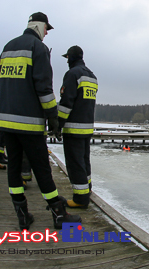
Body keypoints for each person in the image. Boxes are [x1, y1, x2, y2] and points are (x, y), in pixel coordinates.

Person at [0, 12, 80, 230]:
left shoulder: (7, 47)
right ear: (40, 26)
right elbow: (43, 88)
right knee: (42, 169)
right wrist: (52, 116)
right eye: (46, 29)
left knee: (13, 168)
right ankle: (58, 213)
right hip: (29, 123)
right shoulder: (38, 48)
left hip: (6, 122)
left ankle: (22, 214)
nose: (46, 34)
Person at [57, 45, 98, 209]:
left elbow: (66, 103)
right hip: (87, 128)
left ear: (71, 58)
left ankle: (80, 199)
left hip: (73, 128)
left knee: (75, 164)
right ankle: (87, 189)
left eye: (67, 58)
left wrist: (57, 124)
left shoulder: (72, 74)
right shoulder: (92, 76)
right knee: (84, 161)